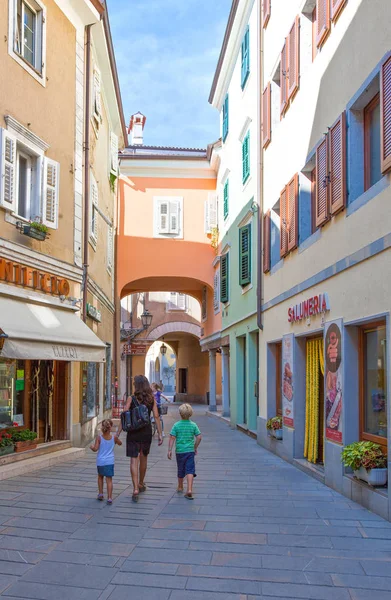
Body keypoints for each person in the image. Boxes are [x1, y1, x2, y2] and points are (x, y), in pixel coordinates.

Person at [117, 375, 163, 503]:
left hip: (133, 432)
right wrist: (160, 434)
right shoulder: (151, 399)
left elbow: (124, 416)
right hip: (146, 432)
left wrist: (117, 433)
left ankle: (135, 488)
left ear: (136, 385)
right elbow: (157, 416)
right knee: (143, 458)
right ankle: (141, 483)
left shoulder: (131, 399)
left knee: (133, 460)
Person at [167, 403, 202, 500]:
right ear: (191, 413)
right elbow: (199, 437)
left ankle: (180, 486)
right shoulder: (193, 425)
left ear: (180, 413)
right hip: (190, 451)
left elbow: (172, 437)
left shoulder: (176, 425)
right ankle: (189, 489)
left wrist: (169, 450)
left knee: (180, 468)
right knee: (190, 470)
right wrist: (195, 447)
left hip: (180, 452)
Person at [90, 419, 122, 504]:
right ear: (110, 427)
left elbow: (95, 449)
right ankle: (110, 498)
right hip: (109, 461)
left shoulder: (99, 438)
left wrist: (92, 447)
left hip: (100, 461)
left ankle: (100, 494)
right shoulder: (114, 438)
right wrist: (117, 440)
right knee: (109, 480)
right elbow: (120, 443)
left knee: (100, 477)